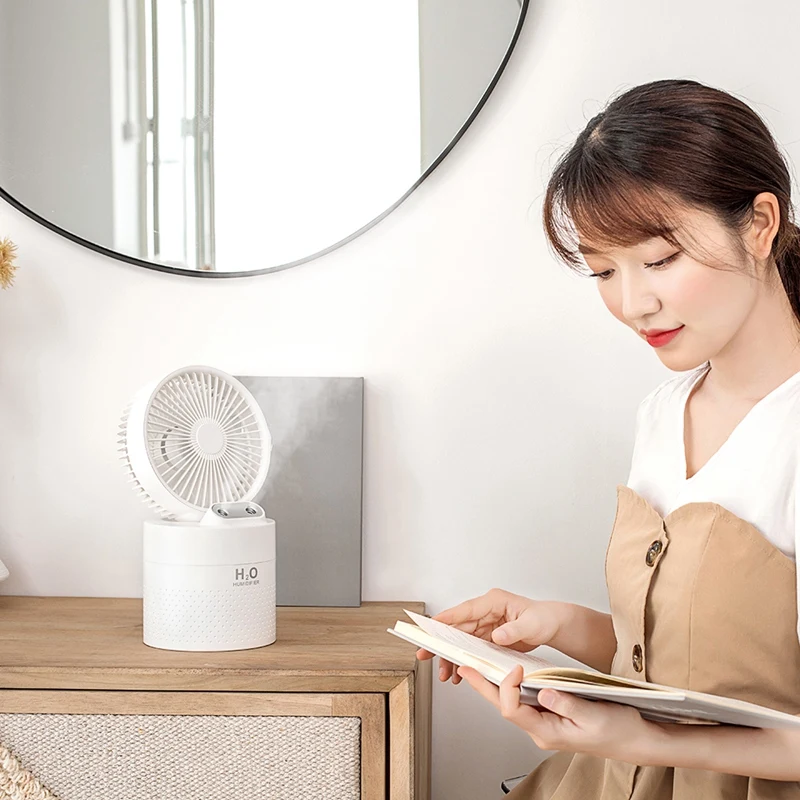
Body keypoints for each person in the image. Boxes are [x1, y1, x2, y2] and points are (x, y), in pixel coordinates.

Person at [416, 78, 800, 797]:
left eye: (659, 260)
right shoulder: (662, 414)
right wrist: (558, 625)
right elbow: (678, 669)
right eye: (602, 271)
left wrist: (639, 738)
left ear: (759, 224)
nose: (631, 303)